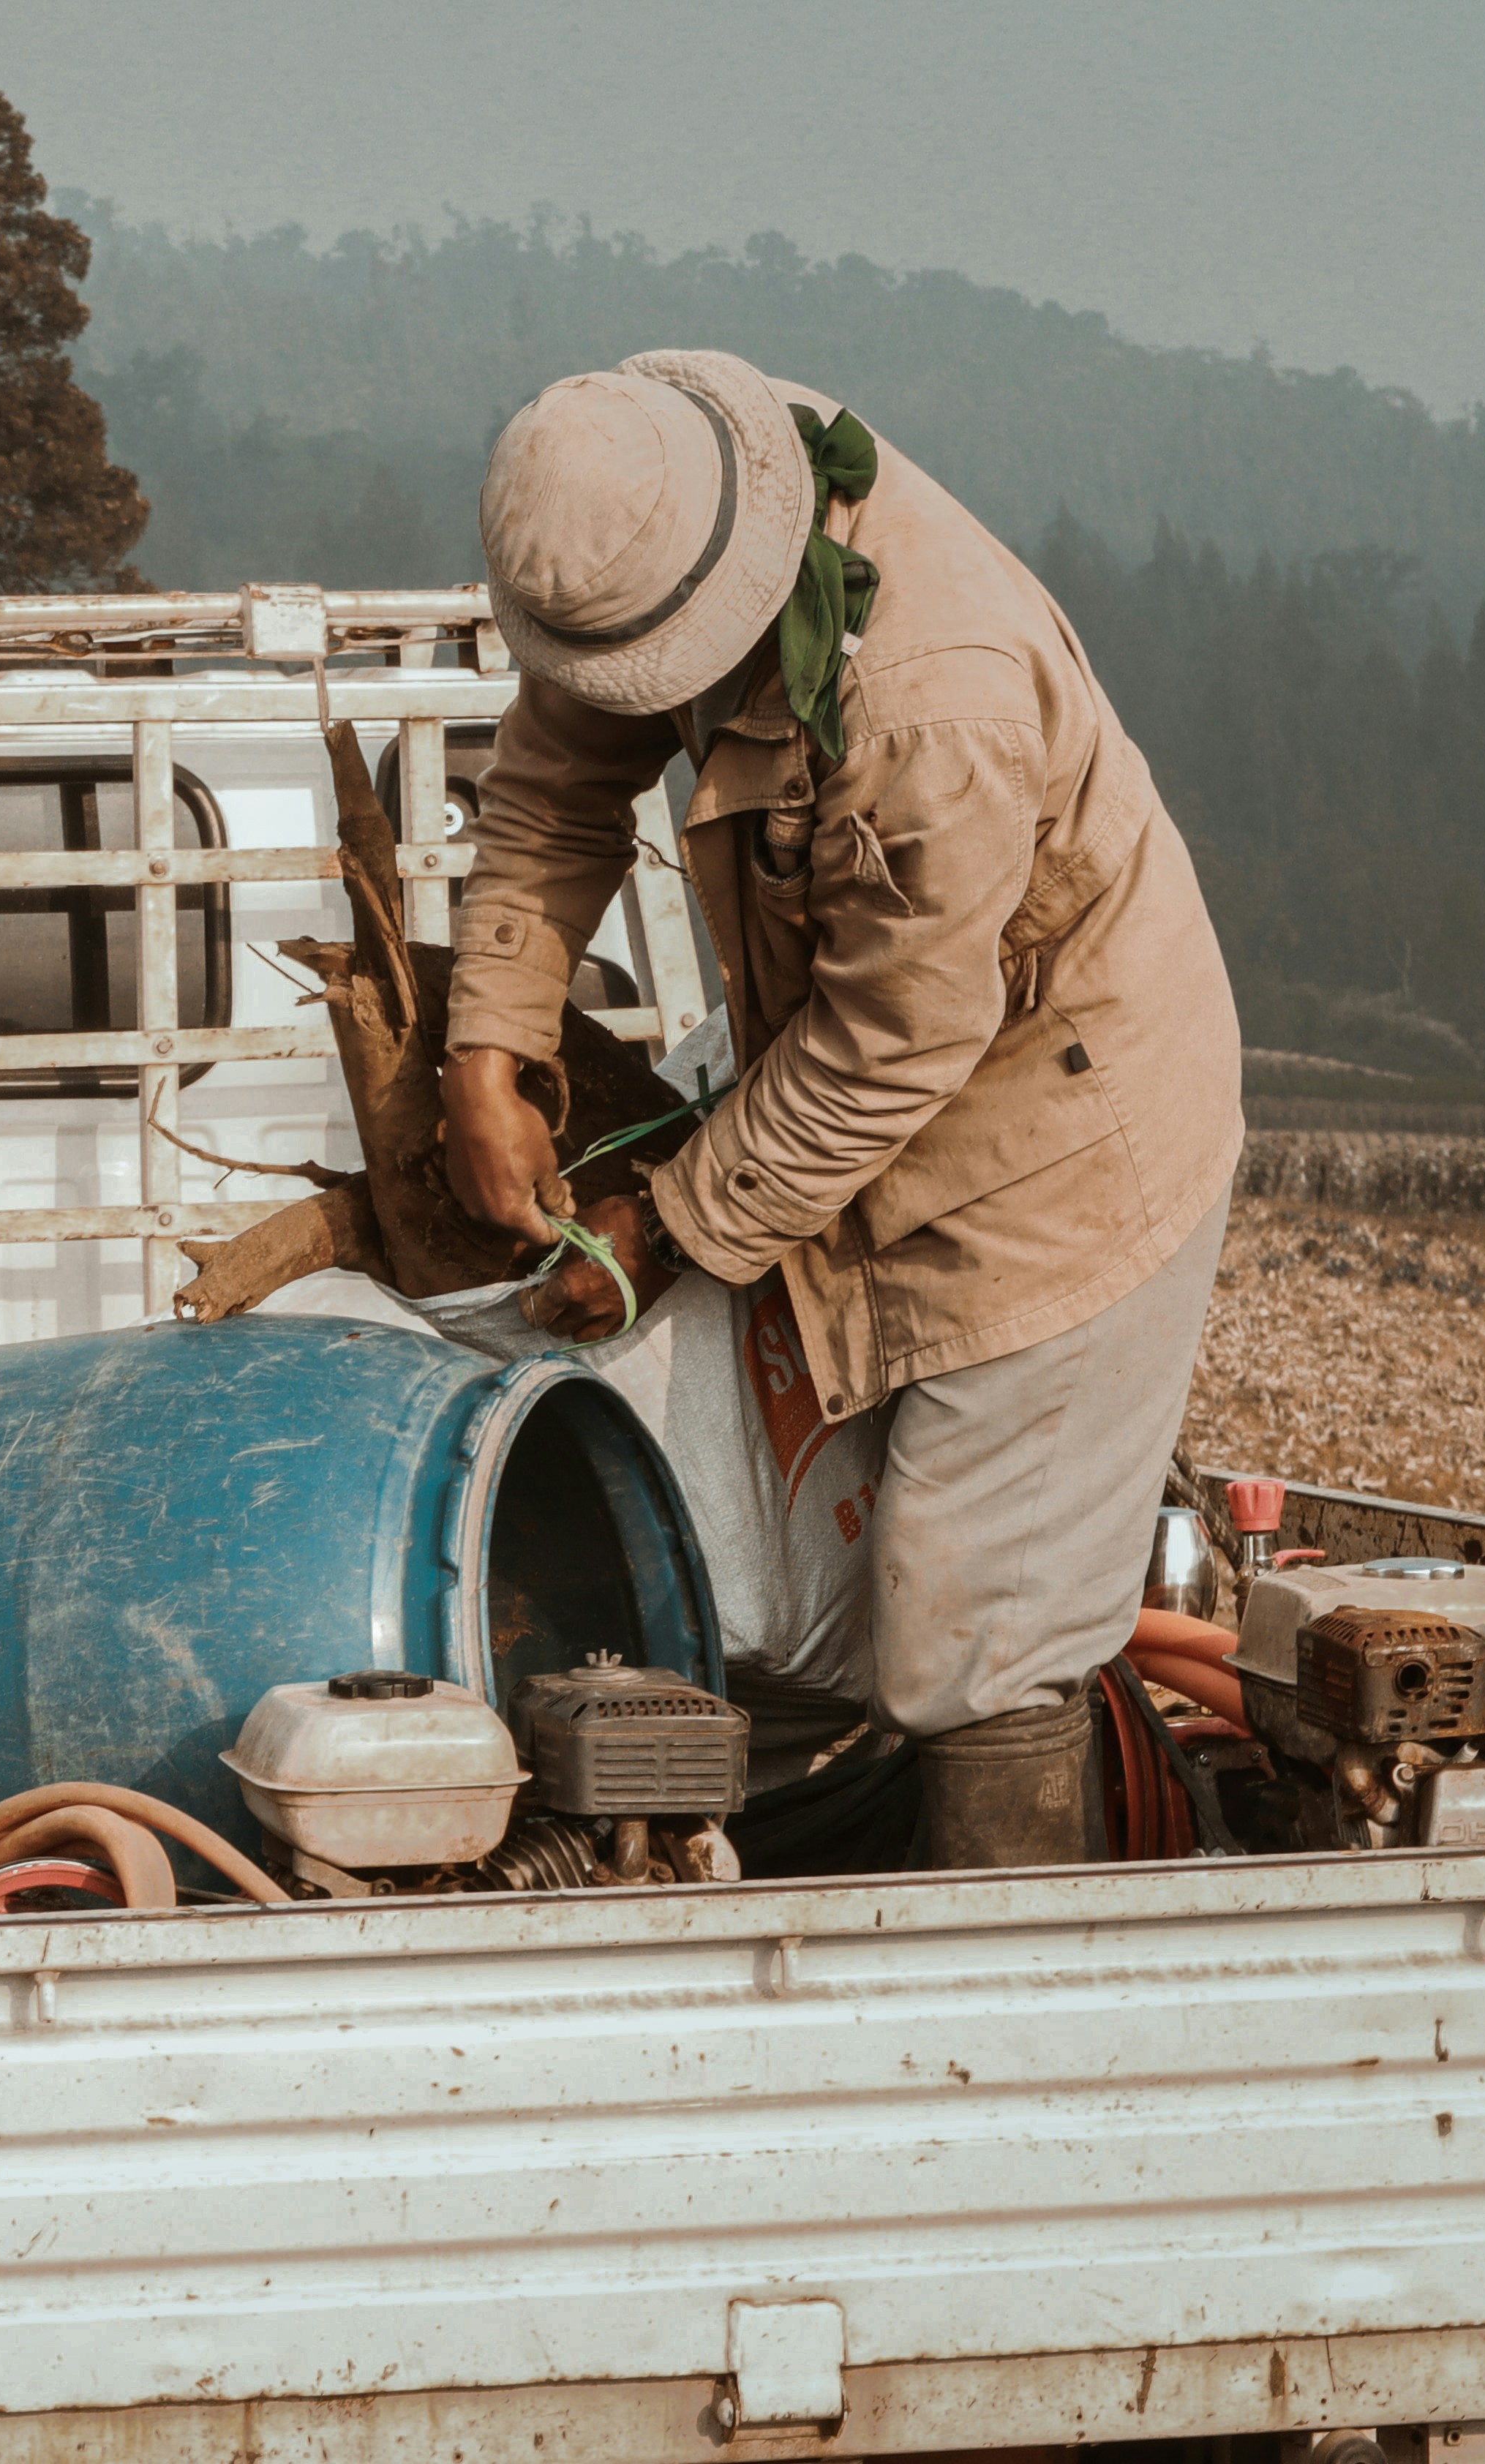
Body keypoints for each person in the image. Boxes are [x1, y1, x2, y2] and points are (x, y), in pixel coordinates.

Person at [435, 347, 1243, 1868]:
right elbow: (553, 788)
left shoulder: (937, 714)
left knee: (974, 1636)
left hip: (1059, 1140)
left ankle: (1008, 2014)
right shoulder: (653, 484)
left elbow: (891, 1047)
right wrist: (488, 1052)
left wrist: (668, 1220)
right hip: (861, 1096)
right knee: (842, 1609)